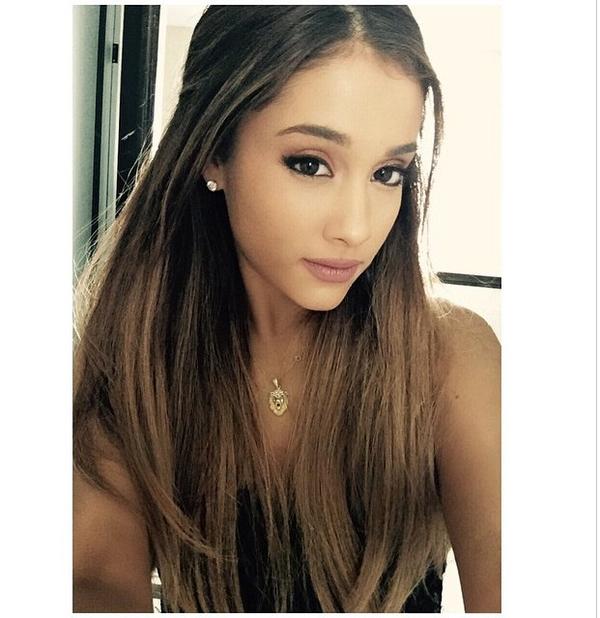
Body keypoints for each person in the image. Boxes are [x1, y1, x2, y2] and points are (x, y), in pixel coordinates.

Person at [73, 5, 500, 613]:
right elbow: (93, 584)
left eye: (387, 173)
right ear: (213, 151)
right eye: (310, 164)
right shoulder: (132, 367)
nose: (356, 228)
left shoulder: (452, 361)